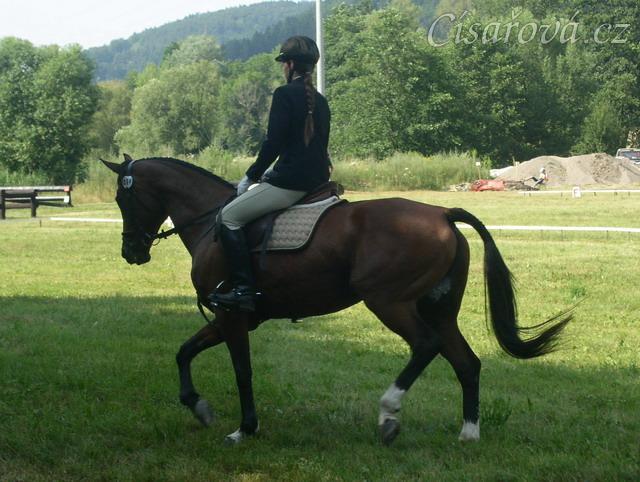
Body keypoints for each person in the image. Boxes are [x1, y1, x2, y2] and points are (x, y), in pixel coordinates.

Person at [208, 35, 332, 312]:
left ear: (289, 65)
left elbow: (273, 143)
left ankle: (244, 290)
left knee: (228, 217)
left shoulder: (284, 94)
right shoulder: (321, 101)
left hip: (290, 183)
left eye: (283, 63)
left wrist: (251, 176)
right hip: (317, 182)